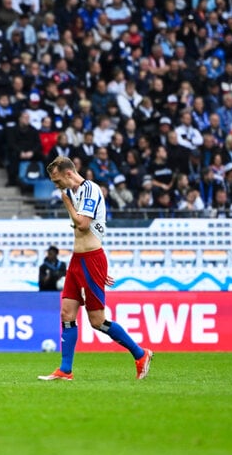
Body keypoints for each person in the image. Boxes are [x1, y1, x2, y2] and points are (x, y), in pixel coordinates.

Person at [38, 156, 153, 381]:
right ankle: (65, 369)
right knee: (66, 313)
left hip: (91, 259)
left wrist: (67, 205)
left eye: (57, 180)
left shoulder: (90, 189)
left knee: (97, 321)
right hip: (78, 260)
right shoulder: (73, 193)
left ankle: (141, 354)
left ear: (68, 173)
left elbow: (82, 224)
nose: (56, 185)